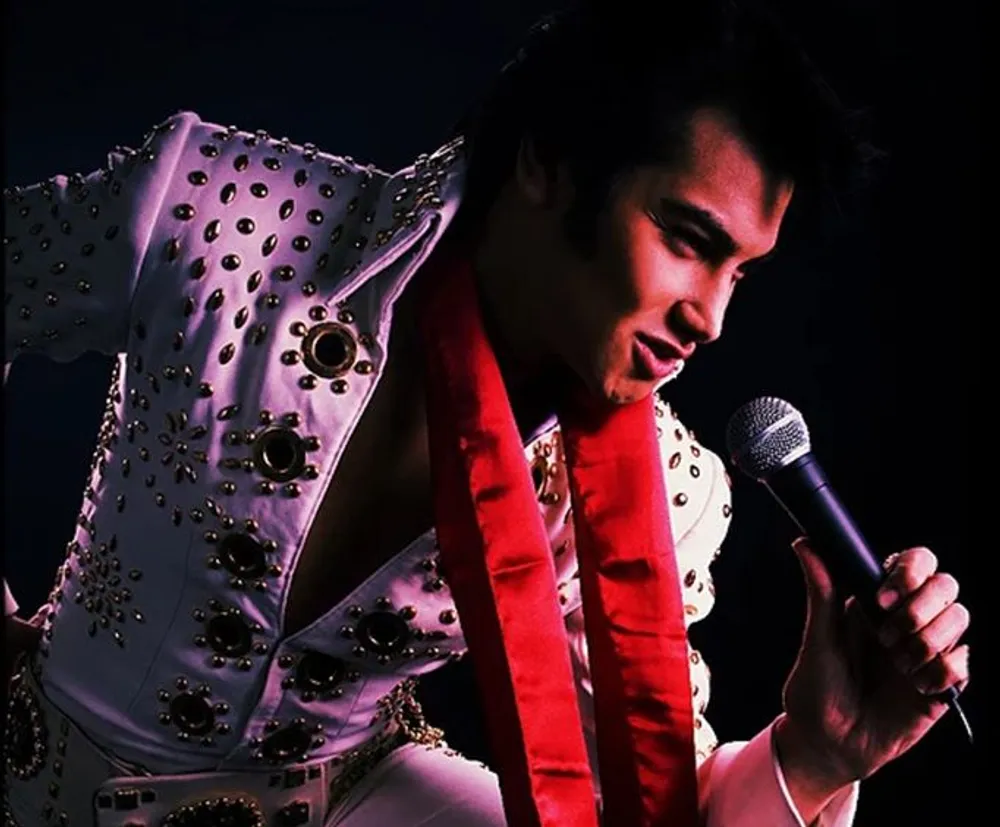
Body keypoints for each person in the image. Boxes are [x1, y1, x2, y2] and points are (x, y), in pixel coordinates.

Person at [3, 2, 971, 825]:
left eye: (740, 273)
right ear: (549, 164)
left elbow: (661, 804)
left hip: (347, 794)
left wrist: (817, 754)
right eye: (686, 238)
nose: (710, 317)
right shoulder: (218, 214)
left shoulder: (669, 489)